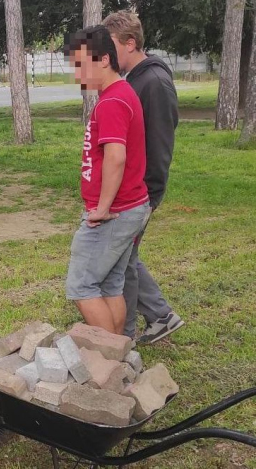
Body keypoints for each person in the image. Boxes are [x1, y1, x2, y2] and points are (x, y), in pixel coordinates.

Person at [63, 25, 151, 335]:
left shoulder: (113, 100)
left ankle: (111, 360)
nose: (77, 74)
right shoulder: (120, 94)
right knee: (112, 285)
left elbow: (116, 156)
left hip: (113, 212)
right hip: (130, 207)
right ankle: (121, 359)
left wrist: (101, 208)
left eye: (80, 64)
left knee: (81, 286)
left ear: (103, 60)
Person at [103, 11, 184, 343]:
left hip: (142, 193)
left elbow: (160, 145)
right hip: (131, 191)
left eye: (110, 48)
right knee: (125, 255)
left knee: (123, 260)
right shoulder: (134, 79)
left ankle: (125, 335)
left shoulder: (155, 83)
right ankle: (161, 315)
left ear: (130, 43)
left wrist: (149, 196)